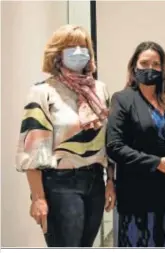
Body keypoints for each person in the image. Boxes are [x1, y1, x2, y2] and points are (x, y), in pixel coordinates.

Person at [15, 24, 116, 247]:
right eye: (71, 46)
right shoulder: (43, 92)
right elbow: (33, 148)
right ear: (56, 53)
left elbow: (109, 142)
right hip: (60, 185)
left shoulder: (99, 90)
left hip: (95, 181)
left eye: (84, 46)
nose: (79, 51)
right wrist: (38, 197)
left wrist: (110, 182)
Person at [105, 41, 165, 247]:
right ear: (134, 66)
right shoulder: (123, 99)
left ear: (163, 68)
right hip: (138, 194)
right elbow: (114, 146)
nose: (150, 68)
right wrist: (157, 163)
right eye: (144, 63)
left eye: (156, 64)